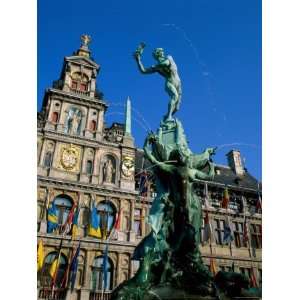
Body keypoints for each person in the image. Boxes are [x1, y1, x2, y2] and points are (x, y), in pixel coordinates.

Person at [134, 44, 182, 122]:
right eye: (160, 53)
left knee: (176, 108)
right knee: (174, 97)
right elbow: (143, 71)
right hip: (170, 83)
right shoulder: (157, 67)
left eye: (162, 52)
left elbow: (165, 63)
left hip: (178, 84)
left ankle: (166, 117)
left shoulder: (169, 58)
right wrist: (138, 60)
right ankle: (169, 117)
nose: (162, 53)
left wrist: (155, 66)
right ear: (157, 55)